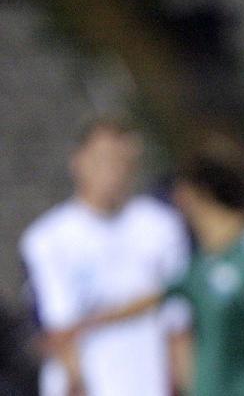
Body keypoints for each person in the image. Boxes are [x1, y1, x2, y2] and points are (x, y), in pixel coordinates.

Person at [68, 154, 244, 396]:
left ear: (199, 193)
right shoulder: (200, 262)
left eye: (181, 191)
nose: (176, 200)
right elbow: (153, 297)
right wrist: (88, 323)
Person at [19, 118, 192, 396]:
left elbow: (178, 323)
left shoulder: (162, 226)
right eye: (102, 159)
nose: (112, 171)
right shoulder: (47, 239)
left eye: (121, 161)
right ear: (77, 161)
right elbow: (60, 331)